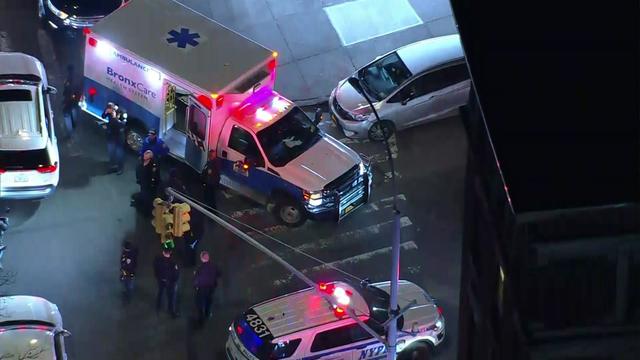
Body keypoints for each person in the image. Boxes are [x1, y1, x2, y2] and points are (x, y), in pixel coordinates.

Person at [193, 251, 221, 325]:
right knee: (209, 301)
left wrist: (195, 286)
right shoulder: (214, 266)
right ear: (208, 257)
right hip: (211, 288)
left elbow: (197, 278)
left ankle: (201, 319)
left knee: (200, 303)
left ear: (202, 258)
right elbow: (219, 273)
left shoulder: (200, 268)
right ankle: (207, 314)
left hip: (202, 288)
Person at [153, 247, 180, 317]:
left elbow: (155, 269)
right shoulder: (173, 262)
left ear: (163, 252)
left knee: (160, 292)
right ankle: (171, 311)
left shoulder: (157, 259)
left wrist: (158, 276)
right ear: (170, 253)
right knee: (171, 297)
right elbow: (176, 273)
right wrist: (175, 282)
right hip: (170, 282)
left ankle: (158, 306)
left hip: (161, 280)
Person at [132, 150, 160, 215]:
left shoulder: (153, 166)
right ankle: (142, 206)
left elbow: (155, 176)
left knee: (148, 198)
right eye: (145, 154)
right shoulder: (141, 162)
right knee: (143, 195)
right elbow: (138, 170)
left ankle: (147, 211)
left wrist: (153, 184)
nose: (145, 155)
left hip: (149, 185)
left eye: (147, 155)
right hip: (143, 183)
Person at [103, 103, 126, 175]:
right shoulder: (109, 111)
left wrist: (115, 118)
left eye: (110, 109)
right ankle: (112, 166)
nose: (110, 111)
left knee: (119, 154)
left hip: (119, 137)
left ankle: (120, 168)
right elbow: (103, 116)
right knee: (111, 152)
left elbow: (121, 125)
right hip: (111, 136)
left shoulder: (122, 113)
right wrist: (105, 112)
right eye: (108, 109)